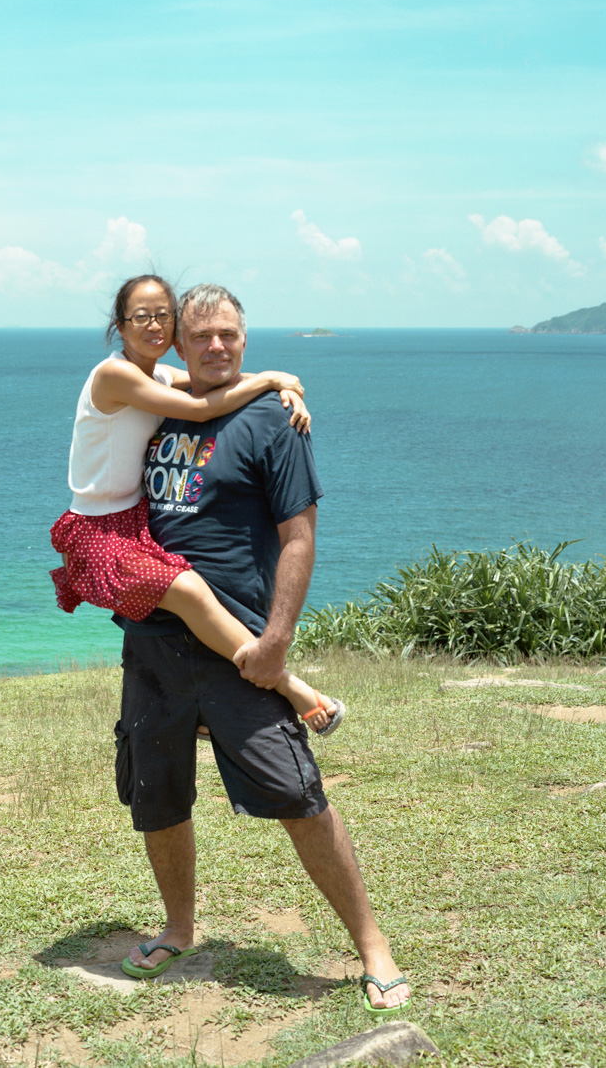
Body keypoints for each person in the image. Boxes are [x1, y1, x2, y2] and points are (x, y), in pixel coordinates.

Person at [113, 283, 410, 1015]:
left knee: (297, 795)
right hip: (153, 643)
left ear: (245, 340)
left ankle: (373, 946)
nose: (216, 346)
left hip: (239, 651)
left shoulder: (275, 420)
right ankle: (179, 929)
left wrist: (278, 640)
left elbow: (298, 537)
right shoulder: (159, 405)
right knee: (157, 796)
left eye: (229, 335)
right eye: (201, 335)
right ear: (179, 345)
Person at [50, 274, 344, 733]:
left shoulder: (161, 375)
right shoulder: (114, 374)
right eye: (140, 316)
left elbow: (218, 378)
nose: (153, 324)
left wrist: (283, 386)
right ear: (120, 326)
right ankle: (288, 684)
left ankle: (204, 710)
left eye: (162, 315)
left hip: (131, 522)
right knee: (188, 591)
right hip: (99, 529)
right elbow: (203, 408)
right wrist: (272, 377)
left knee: (189, 600)